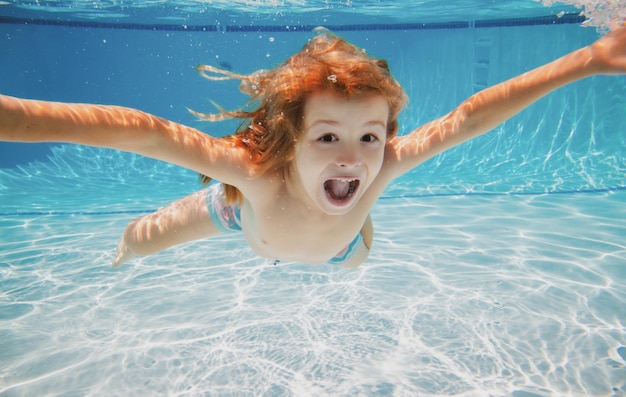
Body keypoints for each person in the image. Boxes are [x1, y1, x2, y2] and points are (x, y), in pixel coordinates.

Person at [1, 26, 625, 269]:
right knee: (142, 240)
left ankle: (349, 221)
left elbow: (468, 117)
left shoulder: (379, 167)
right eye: (328, 137)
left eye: (370, 136)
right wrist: (16, 117)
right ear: (290, 137)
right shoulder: (250, 169)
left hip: (343, 243)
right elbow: (144, 131)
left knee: (355, 246)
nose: (354, 155)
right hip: (241, 217)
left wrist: (591, 59)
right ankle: (118, 255)